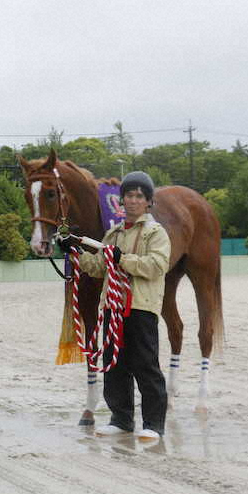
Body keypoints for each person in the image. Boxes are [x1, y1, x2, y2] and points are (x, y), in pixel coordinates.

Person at [66, 171, 170, 441]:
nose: (133, 201)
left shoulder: (156, 233)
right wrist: (74, 252)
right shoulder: (112, 234)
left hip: (141, 307)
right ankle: (121, 419)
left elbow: (156, 266)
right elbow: (99, 267)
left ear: (148, 201)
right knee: (114, 365)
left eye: (139, 196)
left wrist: (122, 259)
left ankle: (154, 424)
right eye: (129, 196)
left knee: (145, 365)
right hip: (112, 307)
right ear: (121, 200)